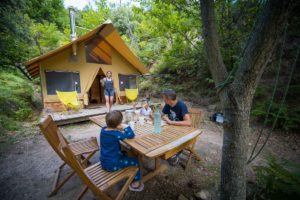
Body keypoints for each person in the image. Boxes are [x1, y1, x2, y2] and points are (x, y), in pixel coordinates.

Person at [99, 110, 144, 192]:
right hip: (112, 165)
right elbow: (131, 135)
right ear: (118, 124)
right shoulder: (116, 134)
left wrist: (116, 127)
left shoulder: (103, 130)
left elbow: (113, 131)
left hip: (104, 161)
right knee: (135, 161)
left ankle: (127, 167)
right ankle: (136, 182)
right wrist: (125, 127)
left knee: (125, 153)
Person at [161, 89, 191, 166]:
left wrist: (171, 122)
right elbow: (162, 114)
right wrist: (155, 114)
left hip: (181, 132)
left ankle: (174, 153)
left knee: (164, 140)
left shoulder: (181, 105)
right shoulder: (168, 105)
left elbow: (188, 122)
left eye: (164, 98)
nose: (163, 99)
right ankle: (168, 152)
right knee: (158, 135)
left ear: (168, 99)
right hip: (170, 129)